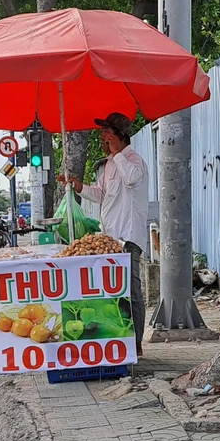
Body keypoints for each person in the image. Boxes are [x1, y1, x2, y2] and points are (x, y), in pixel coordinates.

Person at [58, 112, 148, 356]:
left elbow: (131, 180)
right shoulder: (109, 164)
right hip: (110, 238)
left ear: (119, 136)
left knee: (131, 290)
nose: (102, 136)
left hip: (128, 237)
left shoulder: (133, 161)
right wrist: (79, 186)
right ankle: (118, 337)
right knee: (114, 290)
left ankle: (137, 342)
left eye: (107, 132)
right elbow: (101, 194)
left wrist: (118, 153)